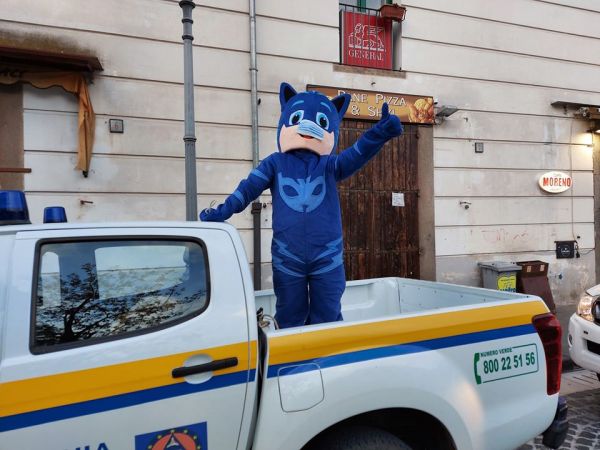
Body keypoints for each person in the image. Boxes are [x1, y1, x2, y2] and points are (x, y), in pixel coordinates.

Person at [201, 82, 403, 328]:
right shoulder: (274, 163)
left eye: (321, 122)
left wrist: (380, 132)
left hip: (327, 257)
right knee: (289, 316)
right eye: (297, 118)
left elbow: (357, 154)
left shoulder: (330, 165)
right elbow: (248, 189)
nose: (308, 126)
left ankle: (326, 351)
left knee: (327, 315)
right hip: (288, 257)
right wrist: (223, 211)